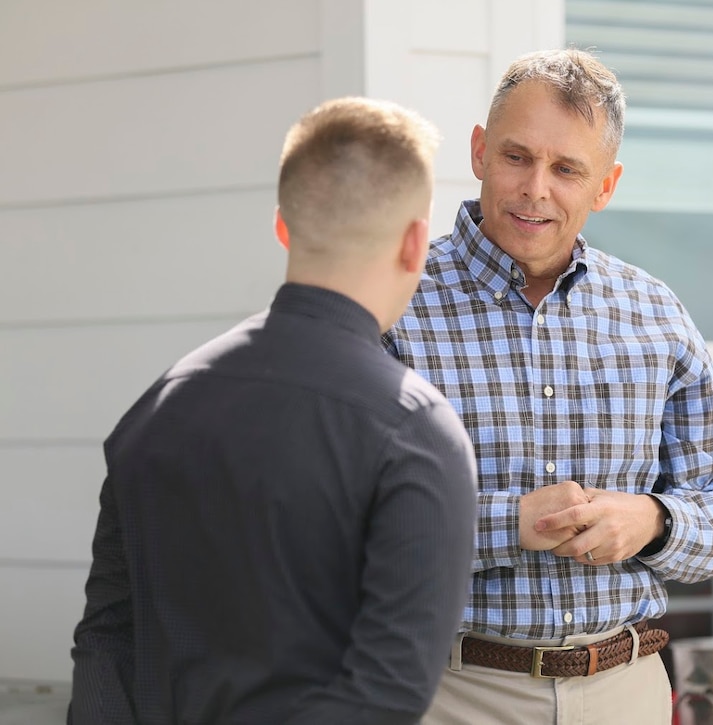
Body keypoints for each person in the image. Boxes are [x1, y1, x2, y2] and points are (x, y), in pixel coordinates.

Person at [67, 97, 478, 725]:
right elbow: (387, 694)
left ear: (284, 226)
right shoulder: (417, 432)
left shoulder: (154, 410)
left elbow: (106, 644)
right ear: (416, 242)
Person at [382, 48, 713, 724]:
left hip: (626, 689)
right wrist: (511, 525)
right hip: (448, 692)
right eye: (516, 156)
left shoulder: (656, 313)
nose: (535, 189)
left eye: (566, 169)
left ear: (604, 186)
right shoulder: (394, 303)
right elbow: (341, 519)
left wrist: (653, 520)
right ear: (478, 150)